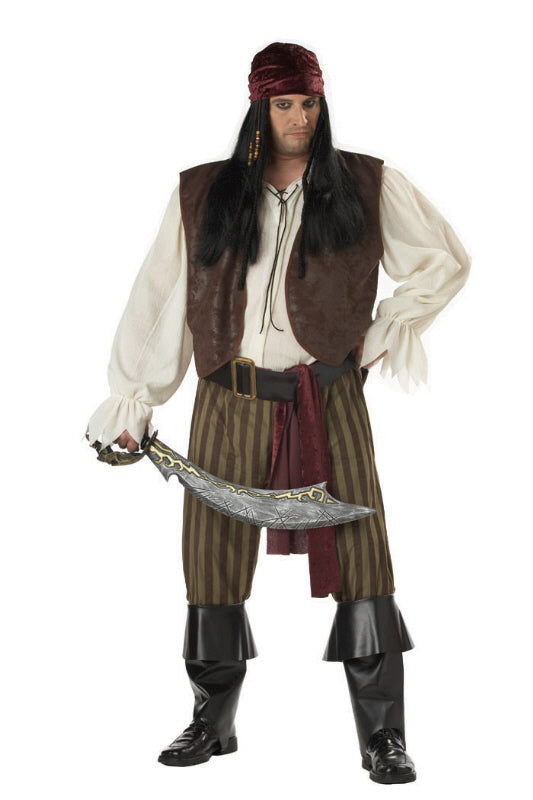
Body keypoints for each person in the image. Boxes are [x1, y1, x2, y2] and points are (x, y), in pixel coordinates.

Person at [86, 42, 471, 784]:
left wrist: (381, 333)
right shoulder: (203, 192)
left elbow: (444, 262)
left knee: (362, 554)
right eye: (284, 103)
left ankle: (383, 736)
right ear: (258, 108)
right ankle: (211, 721)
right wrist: (134, 398)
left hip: (327, 396)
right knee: (211, 558)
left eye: (309, 102)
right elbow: (162, 299)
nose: (299, 117)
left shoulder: (366, 182)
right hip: (228, 398)